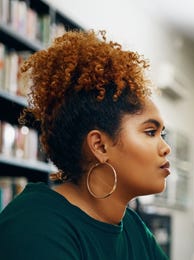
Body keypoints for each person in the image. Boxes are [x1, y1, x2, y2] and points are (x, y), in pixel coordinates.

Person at [0, 30, 171, 259]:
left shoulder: (134, 229)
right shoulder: (35, 223)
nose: (165, 148)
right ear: (99, 146)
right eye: (150, 132)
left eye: (162, 134)